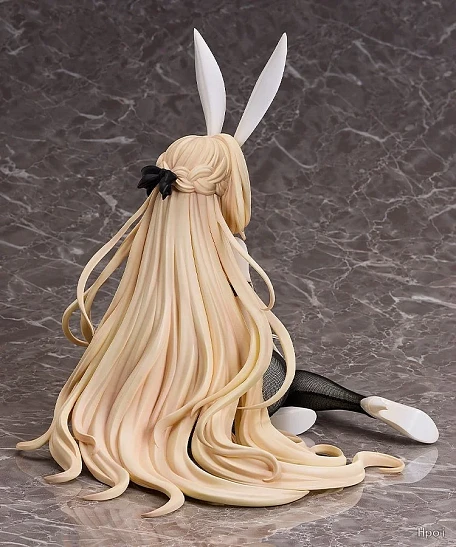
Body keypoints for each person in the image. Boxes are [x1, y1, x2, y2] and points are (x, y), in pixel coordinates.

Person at [16, 29, 406, 517]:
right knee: (266, 367)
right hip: (226, 384)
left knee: (227, 378)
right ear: (226, 187)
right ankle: (344, 405)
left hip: (148, 388)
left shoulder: (148, 256)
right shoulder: (229, 246)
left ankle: (263, 417)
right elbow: (250, 309)